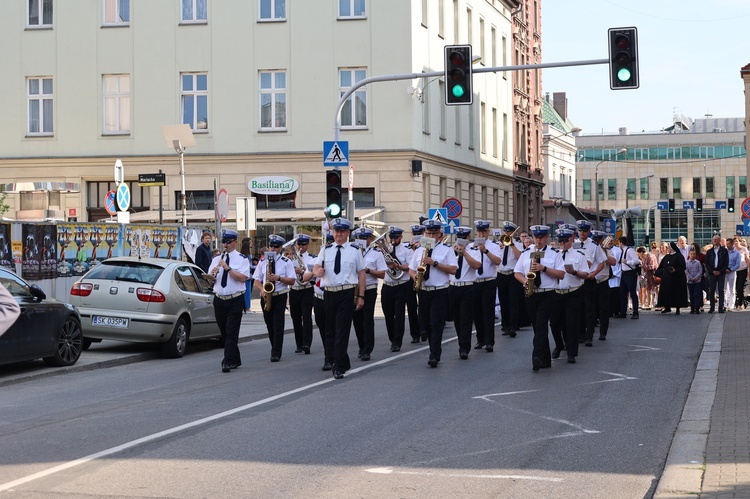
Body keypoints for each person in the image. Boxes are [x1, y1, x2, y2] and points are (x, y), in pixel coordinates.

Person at [313, 218, 366, 379]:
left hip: (346, 292)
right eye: (336, 231)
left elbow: (361, 273)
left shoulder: (355, 249)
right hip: (329, 292)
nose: (339, 235)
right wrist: (317, 272)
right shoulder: (326, 249)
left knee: (342, 329)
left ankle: (338, 365)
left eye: (342, 232)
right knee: (330, 329)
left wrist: (361, 296)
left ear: (347, 233)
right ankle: (341, 359)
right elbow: (315, 267)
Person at [409, 219, 457, 368]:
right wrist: (415, 277)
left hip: (439, 291)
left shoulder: (446, 250)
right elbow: (411, 269)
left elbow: (454, 270)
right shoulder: (418, 250)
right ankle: (433, 348)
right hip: (423, 290)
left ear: (440, 235)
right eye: (428, 233)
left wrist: (435, 263)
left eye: (433, 233)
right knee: (426, 324)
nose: (430, 235)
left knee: (436, 323)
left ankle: (434, 355)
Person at [514, 225, 559, 372]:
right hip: (531, 292)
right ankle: (545, 359)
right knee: (537, 326)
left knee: (540, 324)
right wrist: (526, 281)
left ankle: (536, 358)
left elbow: (561, 274)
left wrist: (543, 268)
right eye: (536, 237)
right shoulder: (526, 253)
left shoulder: (554, 253)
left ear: (546, 237)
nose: (538, 240)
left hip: (547, 293)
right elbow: (517, 272)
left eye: (541, 237)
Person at [208, 229, 251, 373]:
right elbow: (209, 279)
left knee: (231, 332)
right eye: (223, 242)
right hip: (219, 299)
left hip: (235, 300)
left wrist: (228, 269)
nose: (225, 245)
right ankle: (235, 358)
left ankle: (226, 361)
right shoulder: (216, 259)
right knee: (225, 333)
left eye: (228, 242)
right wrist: (212, 275)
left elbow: (243, 278)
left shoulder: (242, 259)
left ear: (235, 242)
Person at [254, 235, 297, 362]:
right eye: (271, 246)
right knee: (269, 324)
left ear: (281, 248)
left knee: (278, 324)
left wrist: (278, 278)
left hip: (280, 295)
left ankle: (276, 352)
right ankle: (274, 346)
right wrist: (262, 289)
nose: (272, 248)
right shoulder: (263, 262)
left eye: (276, 246)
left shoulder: (286, 262)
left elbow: (292, 280)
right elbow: (256, 279)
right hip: (266, 295)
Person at [548, 228, 588, 364]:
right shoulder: (553, 255)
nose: (562, 243)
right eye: (560, 241)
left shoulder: (579, 255)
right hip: (556, 293)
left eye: (565, 240)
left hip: (573, 293)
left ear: (571, 240)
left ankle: (571, 352)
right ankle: (559, 345)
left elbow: (586, 274)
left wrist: (574, 272)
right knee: (554, 323)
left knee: (572, 323)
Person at [352, 228, 387, 361]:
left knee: (367, 319)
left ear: (370, 239)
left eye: (365, 238)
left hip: (370, 288)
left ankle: (367, 349)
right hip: (354, 288)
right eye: (359, 238)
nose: (362, 241)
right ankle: (361, 346)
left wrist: (367, 270)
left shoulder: (376, 253)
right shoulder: (353, 252)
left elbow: (382, 273)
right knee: (356, 320)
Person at [380, 226, 414, 352]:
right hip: (387, 285)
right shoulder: (384, 250)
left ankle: (397, 342)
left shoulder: (406, 250)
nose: (393, 239)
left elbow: (411, 266)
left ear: (400, 237)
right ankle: (392, 338)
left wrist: (397, 266)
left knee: (399, 315)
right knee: (388, 315)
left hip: (401, 285)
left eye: (396, 237)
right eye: (391, 237)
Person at [575, 220, 608, 347]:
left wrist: (594, 274)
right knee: (578, 309)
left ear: (588, 232)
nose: (582, 233)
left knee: (589, 309)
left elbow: (602, 262)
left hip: (589, 280)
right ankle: (580, 334)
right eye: (580, 231)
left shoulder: (594, 245)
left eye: (584, 231)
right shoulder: (573, 244)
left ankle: (589, 336)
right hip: (577, 281)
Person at [450, 226, 481, 359]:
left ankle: (464, 348)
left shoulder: (473, 250)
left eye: (464, 238)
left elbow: (477, 265)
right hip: (453, 287)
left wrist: (464, 253)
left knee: (465, 319)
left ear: (468, 238)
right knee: (456, 319)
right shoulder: (450, 251)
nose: (461, 241)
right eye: (459, 238)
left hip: (467, 287)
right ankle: (461, 342)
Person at [472, 220, 502, 352]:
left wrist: (486, 251)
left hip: (489, 281)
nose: (481, 234)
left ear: (488, 232)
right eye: (479, 231)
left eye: (483, 231)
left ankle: (490, 341)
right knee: (476, 312)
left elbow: (497, 261)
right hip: (475, 282)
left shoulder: (493, 246)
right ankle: (480, 339)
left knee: (488, 312)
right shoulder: (471, 246)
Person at [495, 221, 524, 339]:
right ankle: (505, 325)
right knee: (503, 300)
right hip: (501, 274)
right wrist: (502, 245)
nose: (507, 233)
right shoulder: (498, 244)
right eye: (505, 231)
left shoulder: (518, 244)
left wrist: (511, 245)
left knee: (513, 301)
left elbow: (520, 257)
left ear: (513, 232)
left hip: (513, 275)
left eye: (509, 231)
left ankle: (513, 326)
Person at [288, 234, 316, 354]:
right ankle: (299, 344)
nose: (301, 247)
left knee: (307, 317)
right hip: (294, 289)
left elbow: (314, 274)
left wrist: (302, 271)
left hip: (307, 289)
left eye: (303, 244)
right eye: (298, 244)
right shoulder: (290, 259)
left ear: (308, 245)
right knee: (295, 318)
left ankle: (307, 343)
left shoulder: (312, 258)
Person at [313, 233, 333, 370]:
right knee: (323, 329)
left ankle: (330, 358)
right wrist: (317, 271)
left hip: (332, 296)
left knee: (331, 329)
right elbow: (315, 268)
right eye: (327, 241)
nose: (329, 244)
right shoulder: (323, 252)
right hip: (319, 297)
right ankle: (329, 354)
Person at [591, 231, 616, 340]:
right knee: (590, 308)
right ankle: (589, 332)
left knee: (604, 308)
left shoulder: (607, 251)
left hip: (602, 281)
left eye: (598, 240)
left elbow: (614, 262)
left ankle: (603, 332)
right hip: (591, 280)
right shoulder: (589, 249)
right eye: (595, 240)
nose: (597, 242)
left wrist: (603, 253)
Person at [655, 241, 689, 314]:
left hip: (676, 280)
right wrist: (658, 273)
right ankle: (667, 307)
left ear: (672, 248)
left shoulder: (679, 256)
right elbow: (661, 267)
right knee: (666, 293)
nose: (667, 249)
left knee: (676, 294)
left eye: (668, 247)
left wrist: (675, 270)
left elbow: (683, 266)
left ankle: (677, 308)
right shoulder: (666, 257)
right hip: (667, 280)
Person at [407, 224, 426, 342]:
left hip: (423, 277)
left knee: (423, 306)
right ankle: (415, 334)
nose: (417, 237)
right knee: (411, 306)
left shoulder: (425, 246)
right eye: (415, 234)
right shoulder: (406, 247)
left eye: (419, 234)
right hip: (411, 277)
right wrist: (412, 249)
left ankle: (423, 329)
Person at [616, 236, 641, 319]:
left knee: (632, 293)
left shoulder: (629, 250)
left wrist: (627, 262)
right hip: (624, 274)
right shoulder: (622, 251)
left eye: (619, 242)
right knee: (622, 293)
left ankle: (635, 312)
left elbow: (637, 261)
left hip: (630, 274)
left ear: (621, 242)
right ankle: (623, 312)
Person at [705, 235, 729, 313]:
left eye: (716, 239)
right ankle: (712, 307)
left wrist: (720, 271)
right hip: (712, 273)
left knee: (721, 290)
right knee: (711, 290)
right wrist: (712, 271)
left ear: (719, 241)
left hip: (721, 273)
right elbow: (707, 263)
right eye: (713, 239)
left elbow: (726, 263)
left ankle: (721, 307)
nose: (714, 241)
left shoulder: (724, 251)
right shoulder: (709, 251)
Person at [724, 238, 741, 311]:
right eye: (726, 244)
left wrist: (730, 269)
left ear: (732, 244)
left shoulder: (737, 253)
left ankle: (731, 305)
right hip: (724, 272)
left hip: (732, 272)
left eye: (729, 244)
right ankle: (724, 304)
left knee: (732, 289)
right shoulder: (724, 252)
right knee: (723, 289)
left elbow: (738, 264)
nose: (727, 246)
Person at [686, 249, 704, 314]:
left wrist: (696, 278)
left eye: (694, 254)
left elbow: (700, 270)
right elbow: (686, 271)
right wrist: (691, 278)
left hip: (697, 281)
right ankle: (692, 308)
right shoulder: (687, 262)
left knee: (697, 294)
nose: (692, 255)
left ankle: (697, 308)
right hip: (690, 282)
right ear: (689, 255)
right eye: (691, 254)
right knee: (691, 295)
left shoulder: (698, 262)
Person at [239, 237, 254, 312]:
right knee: (247, 292)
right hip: (247, 276)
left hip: (243, 275)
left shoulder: (241, 255)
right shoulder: (247, 255)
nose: (252, 244)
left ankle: (243, 306)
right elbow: (249, 266)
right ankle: (247, 307)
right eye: (250, 242)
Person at [735, 236, 749, 309]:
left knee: (740, 287)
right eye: (734, 241)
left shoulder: (744, 249)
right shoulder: (732, 250)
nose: (735, 243)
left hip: (743, 270)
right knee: (736, 287)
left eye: (737, 241)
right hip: (734, 271)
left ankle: (740, 303)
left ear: (740, 242)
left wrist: (749, 270)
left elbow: (747, 259)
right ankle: (739, 302)